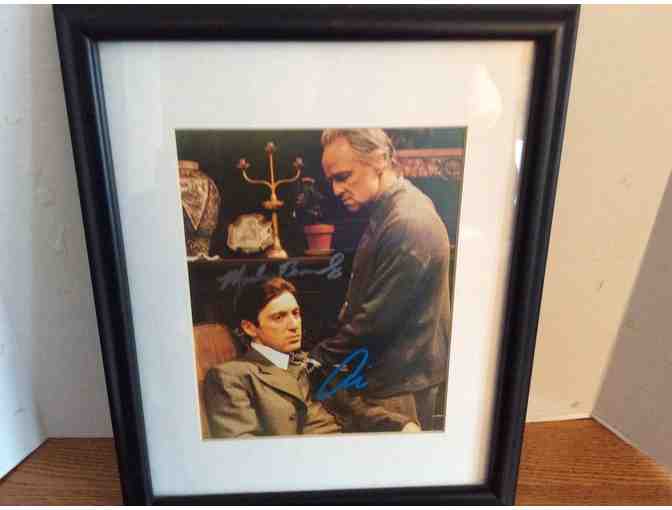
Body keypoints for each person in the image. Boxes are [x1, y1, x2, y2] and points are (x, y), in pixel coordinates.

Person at [310, 129, 452, 431]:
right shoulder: (395, 210)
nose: (336, 190)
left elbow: (376, 321)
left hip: (398, 388)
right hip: (395, 379)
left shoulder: (407, 221)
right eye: (332, 180)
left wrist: (318, 358)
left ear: (380, 159)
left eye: (343, 176)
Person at [203, 277, 418, 438]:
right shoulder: (232, 376)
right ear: (250, 327)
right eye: (279, 317)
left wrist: (400, 425)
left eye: (295, 313)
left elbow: (354, 409)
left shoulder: (309, 361)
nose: (293, 325)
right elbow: (244, 451)